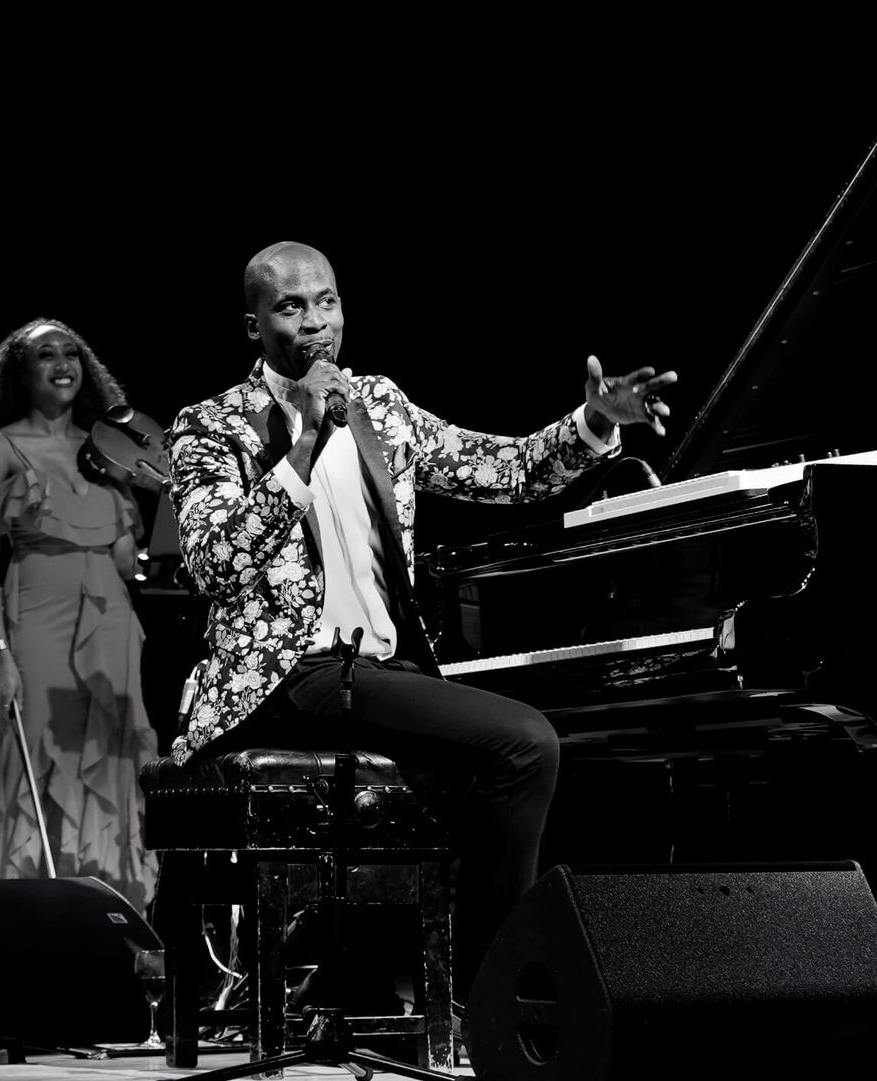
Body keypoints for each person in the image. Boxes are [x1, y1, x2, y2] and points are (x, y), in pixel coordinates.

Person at [166, 241, 675, 1000]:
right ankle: (492, 991)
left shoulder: (382, 406)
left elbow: (502, 469)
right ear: (253, 325)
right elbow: (213, 563)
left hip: (373, 670)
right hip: (285, 675)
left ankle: (374, 978)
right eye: (292, 307)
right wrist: (303, 444)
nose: (316, 324)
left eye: (328, 301)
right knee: (524, 742)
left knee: (496, 757)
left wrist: (595, 422)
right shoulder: (211, 426)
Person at [0, 318, 162, 911]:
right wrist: (0, 654)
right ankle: (40, 918)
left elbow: (128, 563)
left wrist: (152, 492)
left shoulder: (106, 452)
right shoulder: (0, 449)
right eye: (46, 355)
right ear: (21, 372)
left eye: (71, 353)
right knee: (45, 762)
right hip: (37, 625)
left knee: (115, 765)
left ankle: (112, 918)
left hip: (112, 626)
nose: (62, 363)